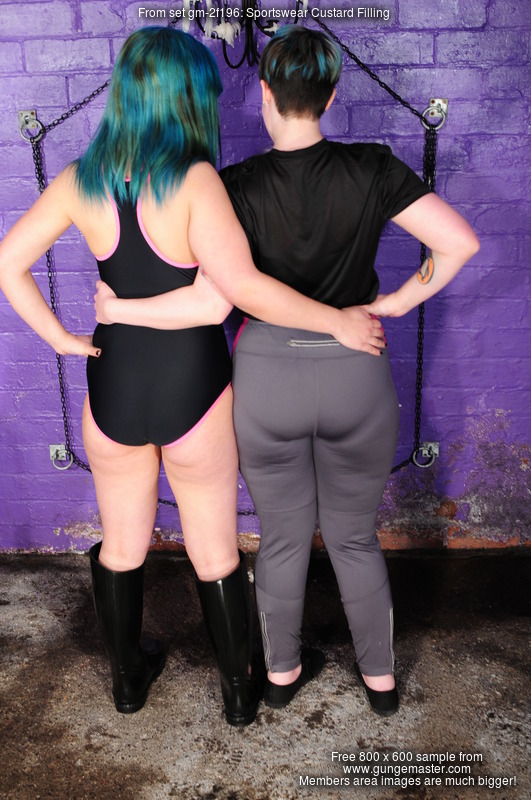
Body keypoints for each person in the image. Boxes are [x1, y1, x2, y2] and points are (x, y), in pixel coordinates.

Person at [0, 27, 386, 726]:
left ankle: (127, 684)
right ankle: (239, 694)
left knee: (122, 546)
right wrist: (335, 321)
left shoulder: (81, 179)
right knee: (213, 551)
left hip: (113, 386)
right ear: (189, 98)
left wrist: (66, 335)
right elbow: (218, 301)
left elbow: (8, 263)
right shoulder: (196, 180)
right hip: (193, 390)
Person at [95, 26, 480, 718]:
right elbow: (458, 243)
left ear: (265, 92)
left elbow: (216, 293)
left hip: (267, 377)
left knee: (279, 537)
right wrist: (394, 302)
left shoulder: (232, 185)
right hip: (356, 369)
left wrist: (118, 308)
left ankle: (279, 673)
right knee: (354, 535)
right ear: (330, 97)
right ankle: (381, 683)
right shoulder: (373, 166)